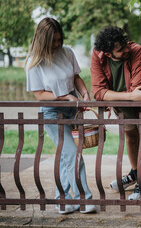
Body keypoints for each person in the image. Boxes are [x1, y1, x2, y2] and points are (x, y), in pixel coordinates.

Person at [25, 17, 96, 214]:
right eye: (53, 41)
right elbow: (40, 94)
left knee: (66, 156)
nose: (57, 44)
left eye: (59, 39)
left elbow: (75, 77)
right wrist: (65, 97)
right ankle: (85, 200)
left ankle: (62, 201)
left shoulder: (67, 52)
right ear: (43, 40)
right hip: (51, 111)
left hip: (72, 107)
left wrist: (85, 93)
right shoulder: (34, 61)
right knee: (73, 155)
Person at [91, 26, 141, 200]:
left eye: (125, 45)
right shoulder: (98, 55)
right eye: (120, 49)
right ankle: (134, 175)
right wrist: (129, 95)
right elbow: (99, 92)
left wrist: (114, 96)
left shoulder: (136, 51)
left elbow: (139, 89)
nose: (125, 50)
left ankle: (140, 182)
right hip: (123, 104)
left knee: (139, 137)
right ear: (108, 54)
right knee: (131, 137)